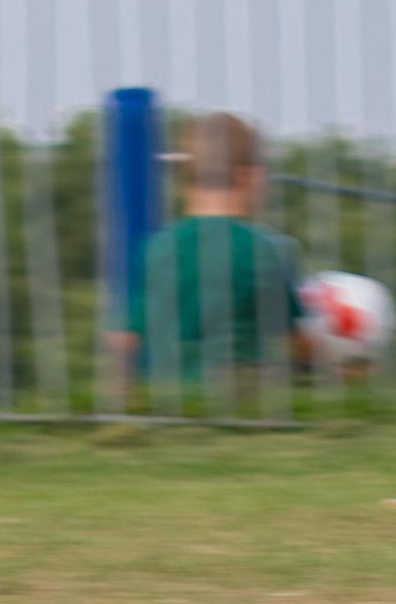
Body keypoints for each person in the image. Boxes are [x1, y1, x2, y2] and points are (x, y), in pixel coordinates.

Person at [120, 108, 316, 399]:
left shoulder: (155, 248)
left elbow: (125, 341)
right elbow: (296, 343)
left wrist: (126, 397)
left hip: (166, 401)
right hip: (240, 400)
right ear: (246, 175)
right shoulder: (264, 249)